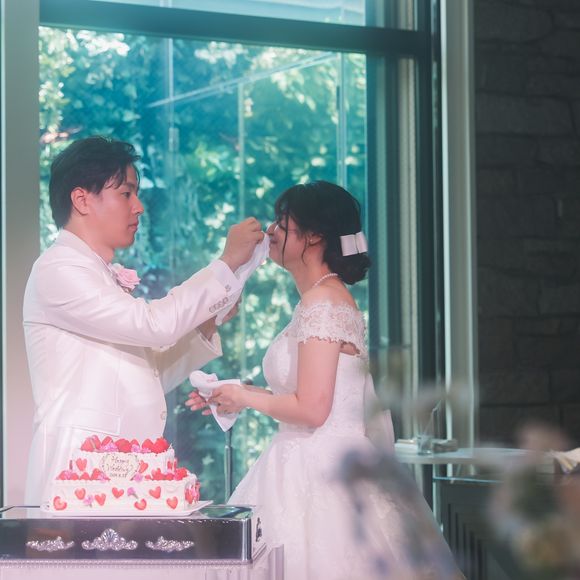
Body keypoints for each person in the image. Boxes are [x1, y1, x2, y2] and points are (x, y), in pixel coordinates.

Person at [187, 181, 462, 579]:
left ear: (314, 235)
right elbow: (303, 397)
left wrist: (245, 398)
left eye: (282, 222)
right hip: (307, 460)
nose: (270, 231)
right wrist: (234, 392)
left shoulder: (324, 302)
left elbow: (314, 409)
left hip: (322, 472)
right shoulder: (318, 300)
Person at [23, 136, 263, 504]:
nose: (139, 207)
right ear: (82, 200)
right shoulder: (58, 269)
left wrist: (207, 324)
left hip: (124, 473)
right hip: (78, 472)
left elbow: (147, 375)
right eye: (126, 193)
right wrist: (226, 262)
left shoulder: (96, 272)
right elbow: (154, 326)